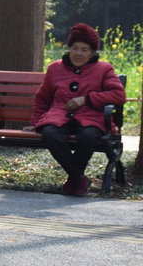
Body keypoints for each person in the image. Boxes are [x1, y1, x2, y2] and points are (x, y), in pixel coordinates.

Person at [25, 23, 126, 196]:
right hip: (59, 116)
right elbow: (42, 98)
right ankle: (79, 178)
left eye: (84, 50)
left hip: (91, 117)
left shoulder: (104, 69)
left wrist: (86, 99)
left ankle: (74, 180)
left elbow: (118, 95)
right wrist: (35, 123)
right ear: (69, 49)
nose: (78, 53)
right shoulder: (55, 68)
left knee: (88, 136)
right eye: (75, 48)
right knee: (50, 134)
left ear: (92, 52)